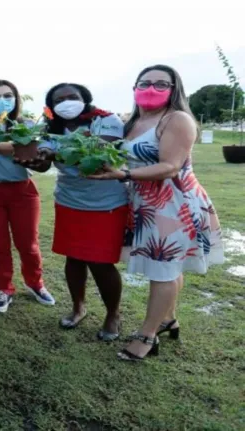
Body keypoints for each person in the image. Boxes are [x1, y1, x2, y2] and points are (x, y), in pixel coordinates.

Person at [89, 65, 224, 361]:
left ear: (175, 90)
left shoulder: (177, 119)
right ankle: (167, 320)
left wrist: (122, 174)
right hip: (145, 203)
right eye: (145, 82)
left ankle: (147, 337)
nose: (151, 88)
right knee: (168, 268)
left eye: (162, 83)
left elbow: (170, 166)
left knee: (162, 269)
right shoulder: (135, 120)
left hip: (172, 204)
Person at [25, 83, 127, 341]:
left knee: (101, 262)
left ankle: (113, 314)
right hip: (69, 200)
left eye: (73, 97)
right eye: (59, 100)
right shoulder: (50, 129)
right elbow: (43, 163)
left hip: (105, 203)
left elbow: (99, 152)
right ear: (52, 106)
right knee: (73, 258)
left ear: (85, 99)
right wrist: (37, 158)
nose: (66, 102)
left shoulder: (106, 120)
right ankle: (78, 307)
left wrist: (54, 149)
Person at [0, 80, 55, 313]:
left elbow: (26, 149)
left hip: (22, 191)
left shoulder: (26, 125)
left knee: (28, 244)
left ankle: (35, 283)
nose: (1, 100)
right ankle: (4, 289)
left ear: (16, 99)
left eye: (7, 95)